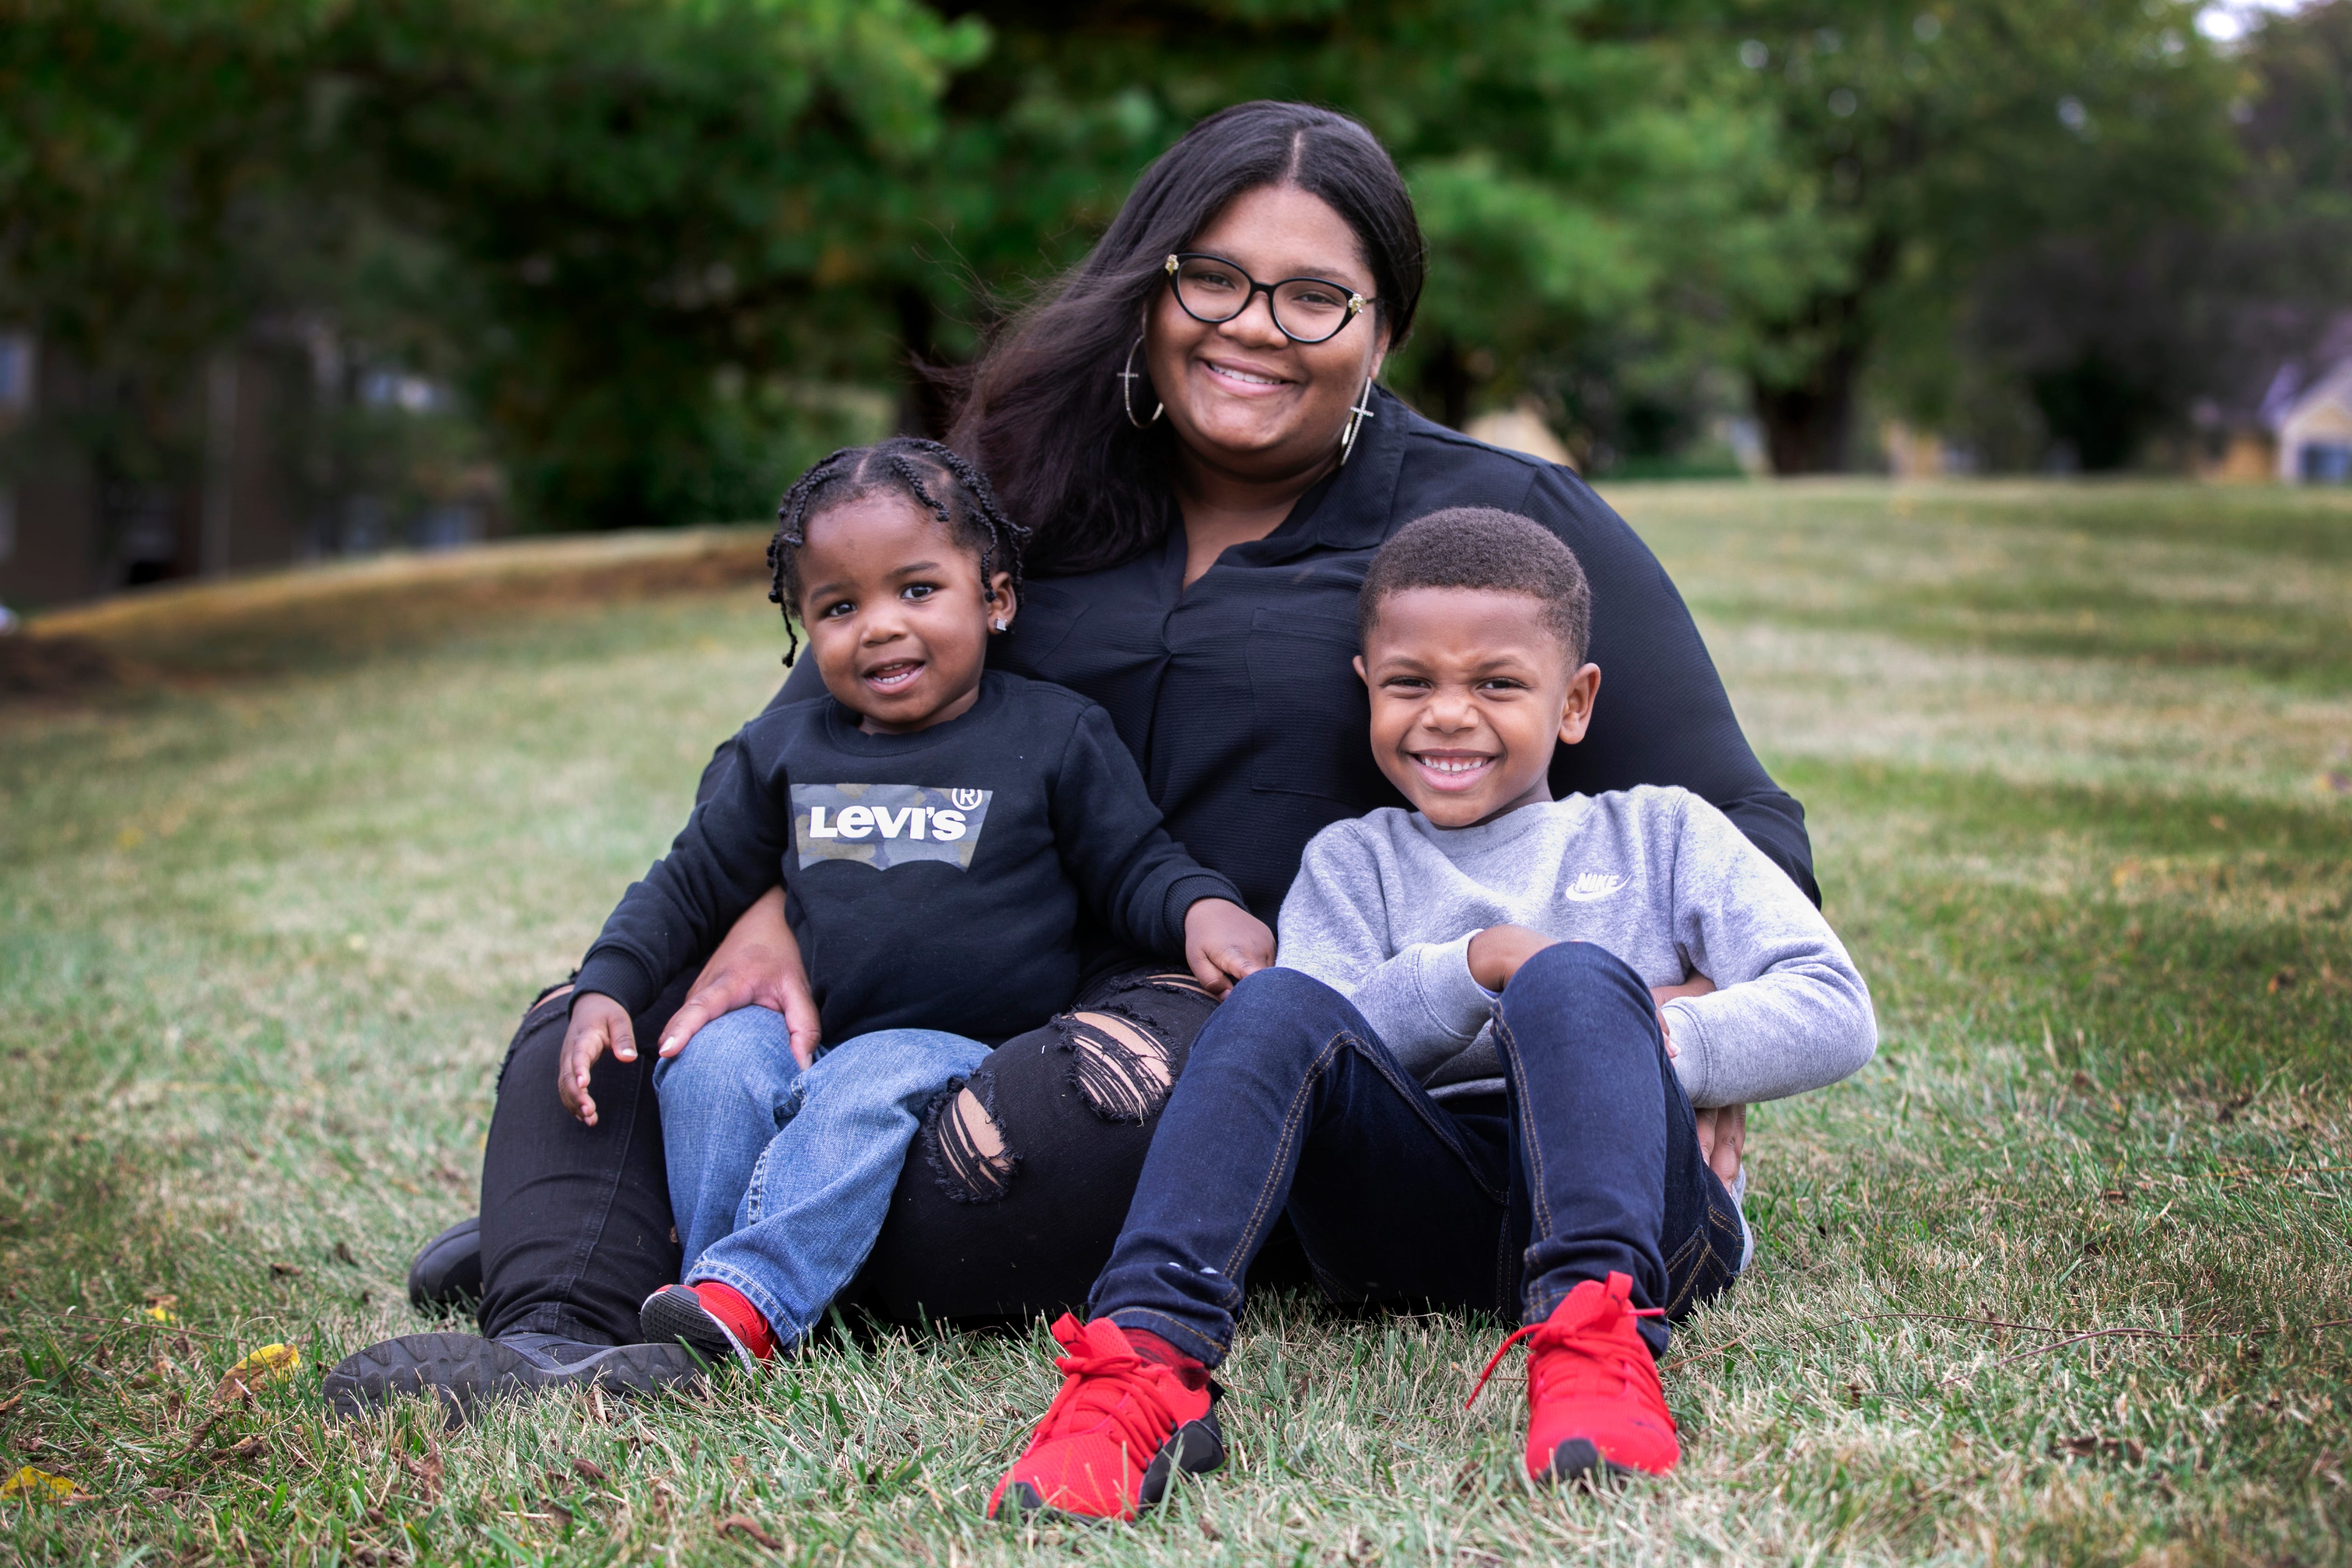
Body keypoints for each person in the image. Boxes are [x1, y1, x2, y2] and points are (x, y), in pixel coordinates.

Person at [330, 99, 1820, 1416]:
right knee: (603, 1018)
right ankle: (555, 1334)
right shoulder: (1024, 489)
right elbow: (820, 728)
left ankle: (640, 1239)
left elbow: (1736, 815)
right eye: (1216, 279)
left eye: (1317, 298)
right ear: (1152, 285)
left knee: (1083, 1118)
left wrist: (1656, 1031)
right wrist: (782, 895)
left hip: (1205, 1017)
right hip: (935, 956)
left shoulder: (1496, 527)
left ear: (1383, 329)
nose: (1254, 327)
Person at [989, 508, 1877, 1520]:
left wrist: (1636, 1041)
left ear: (1575, 702)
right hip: (1414, 1216)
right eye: (1413, 684)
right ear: (1369, 689)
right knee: (1279, 1000)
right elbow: (1324, 1047)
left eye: (1498, 684)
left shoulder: (1662, 831)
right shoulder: (1351, 862)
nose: (1449, 715)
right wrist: (1472, 968)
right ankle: (1148, 1365)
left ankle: (1597, 1344)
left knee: (1573, 979)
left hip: (1648, 1225)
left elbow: (1835, 1005)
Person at [572, 438, 1269, 1365]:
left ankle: (752, 1303)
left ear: (996, 598)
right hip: (812, 1029)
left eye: (917, 590)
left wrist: (1200, 911)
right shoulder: (782, 752)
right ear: (804, 629)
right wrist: (605, 985)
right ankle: (710, 1298)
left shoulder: (1052, 734)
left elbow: (1136, 864)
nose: (880, 627)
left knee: (864, 1085)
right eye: (839, 607)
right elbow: (687, 884)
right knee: (711, 1058)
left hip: (960, 1046)